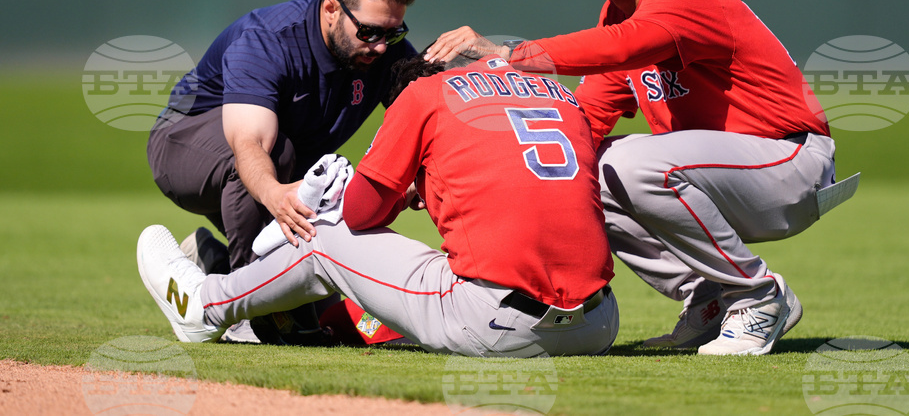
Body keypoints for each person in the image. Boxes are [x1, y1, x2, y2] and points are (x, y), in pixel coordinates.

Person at [424, 0, 838, 356]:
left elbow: (624, 47)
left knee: (631, 163)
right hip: (724, 175)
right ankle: (708, 297)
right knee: (576, 168)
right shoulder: (617, 15)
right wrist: (472, 166)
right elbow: (582, 121)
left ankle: (757, 295)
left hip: (789, 160)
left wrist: (509, 54)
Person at [137, 53, 619, 358]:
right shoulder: (560, 95)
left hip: (497, 325)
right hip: (599, 324)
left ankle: (204, 305)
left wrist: (404, 189)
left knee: (325, 236)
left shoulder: (426, 92)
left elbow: (360, 214)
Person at [146, 0, 416, 342]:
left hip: (284, 166)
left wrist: (421, 178)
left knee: (319, 311)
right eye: (370, 32)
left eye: (394, 34)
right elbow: (249, 142)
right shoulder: (267, 39)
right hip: (184, 147)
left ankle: (211, 261)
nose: (381, 47)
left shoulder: (384, 50)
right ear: (331, 10)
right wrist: (274, 193)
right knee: (278, 156)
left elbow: (433, 118)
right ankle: (242, 311)